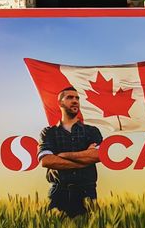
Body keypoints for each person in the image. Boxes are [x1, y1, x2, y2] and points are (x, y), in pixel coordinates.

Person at [38, 87, 103, 217]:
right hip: (59, 192)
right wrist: (84, 159)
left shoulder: (92, 131)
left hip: (87, 192)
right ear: (60, 103)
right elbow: (46, 161)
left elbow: (98, 155)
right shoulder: (49, 132)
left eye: (77, 98)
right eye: (70, 97)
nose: (75, 101)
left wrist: (63, 156)